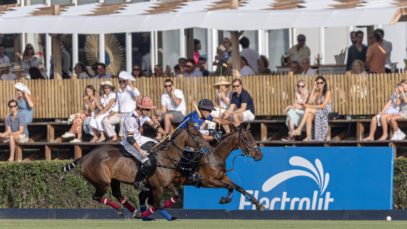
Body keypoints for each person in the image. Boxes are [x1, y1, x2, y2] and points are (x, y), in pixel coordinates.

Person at [121, 96, 163, 191]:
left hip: (139, 138)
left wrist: (164, 132)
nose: (149, 111)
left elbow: (154, 125)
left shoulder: (143, 116)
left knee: (158, 145)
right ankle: (138, 182)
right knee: (147, 162)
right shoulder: (130, 118)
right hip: (129, 143)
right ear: (140, 108)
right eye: (147, 109)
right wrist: (140, 151)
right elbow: (130, 138)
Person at [103, 71, 140, 142]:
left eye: (124, 81)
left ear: (126, 82)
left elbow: (137, 94)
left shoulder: (130, 90)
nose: (122, 83)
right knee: (105, 120)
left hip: (130, 113)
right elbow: (117, 105)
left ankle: (121, 137)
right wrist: (110, 114)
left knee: (123, 119)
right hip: (120, 114)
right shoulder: (119, 92)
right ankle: (113, 135)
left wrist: (131, 85)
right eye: (120, 81)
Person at [293, 76, 332, 141]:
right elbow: (310, 101)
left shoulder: (328, 92)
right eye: (318, 83)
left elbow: (323, 106)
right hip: (318, 111)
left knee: (308, 109)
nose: (319, 84)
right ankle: (308, 137)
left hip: (326, 111)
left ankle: (299, 129)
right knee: (309, 115)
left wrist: (309, 106)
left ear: (324, 83)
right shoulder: (316, 93)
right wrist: (313, 89)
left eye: (321, 83)